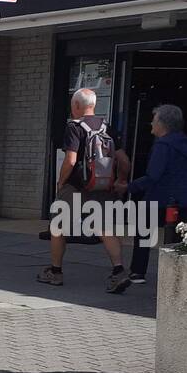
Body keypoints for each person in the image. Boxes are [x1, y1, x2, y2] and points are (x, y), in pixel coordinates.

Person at [38, 88, 133, 293]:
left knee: (58, 227)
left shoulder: (74, 127)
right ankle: (119, 271)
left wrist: (61, 182)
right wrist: (120, 180)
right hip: (102, 186)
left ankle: (55, 272)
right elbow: (124, 161)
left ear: (77, 106)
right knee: (105, 228)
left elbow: (70, 160)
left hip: (76, 186)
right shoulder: (107, 127)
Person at [127, 103, 187, 282]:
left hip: (158, 197)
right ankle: (178, 275)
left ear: (162, 124)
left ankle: (138, 271)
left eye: (153, 120)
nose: (151, 124)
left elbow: (153, 175)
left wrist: (129, 187)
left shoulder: (163, 145)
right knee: (179, 238)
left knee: (143, 232)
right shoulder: (186, 143)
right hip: (183, 197)